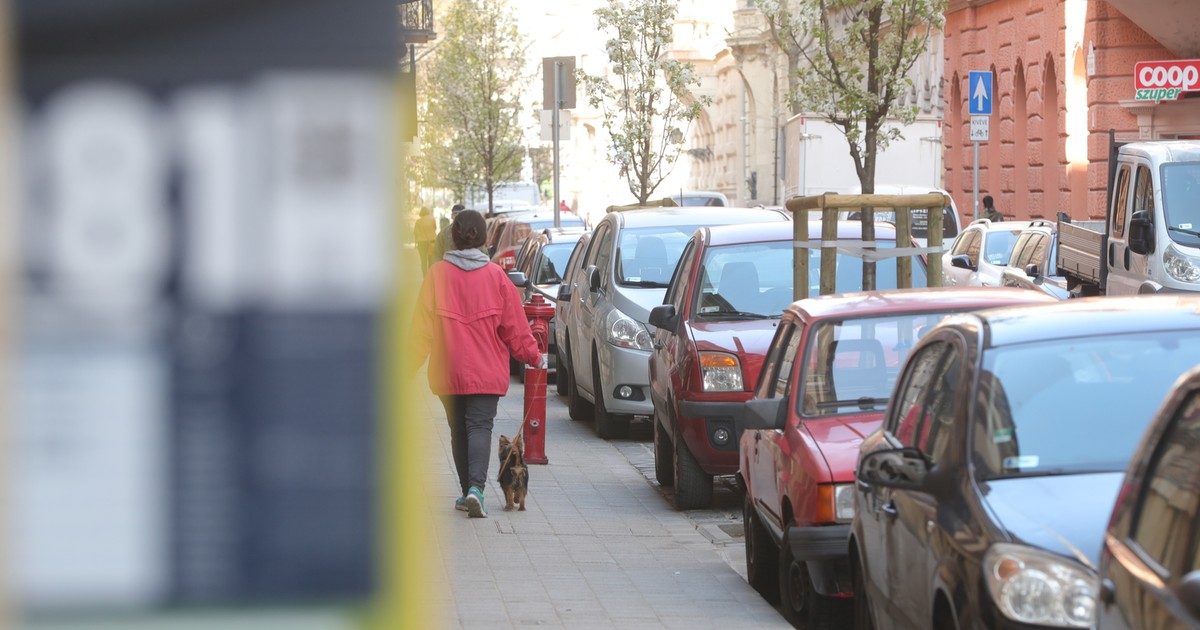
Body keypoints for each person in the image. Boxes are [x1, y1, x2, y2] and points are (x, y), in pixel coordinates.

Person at [410, 210, 543, 518]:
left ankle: (467, 491)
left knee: (459, 431)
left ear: (452, 237)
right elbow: (515, 327)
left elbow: (421, 330)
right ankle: (476, 491)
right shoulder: (497, 277)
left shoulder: (436, 275)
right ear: (484, 239)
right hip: (486, 371)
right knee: (480, 427)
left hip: (448, 370)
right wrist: (534, 356)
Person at [414, 207, 437, 271]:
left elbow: (416, 233)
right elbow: (435, 228)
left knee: (423, 261)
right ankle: (430, 276)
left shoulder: (418, 221)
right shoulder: (432, 219)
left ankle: (425, 277)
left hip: (421, 242)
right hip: (432, 241)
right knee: (431, 260)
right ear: (428, 211)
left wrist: (415, 243)